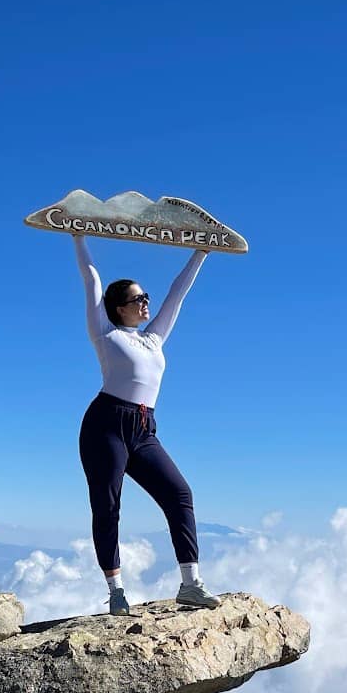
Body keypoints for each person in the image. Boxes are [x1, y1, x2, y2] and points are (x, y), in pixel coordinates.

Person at [73, 233, 221, 616]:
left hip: (144, 428)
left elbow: (177, 293)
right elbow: (92, 280)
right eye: (138, 299)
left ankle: (189, 584)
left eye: (145, 298)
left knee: (179, 494)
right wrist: (78, 236)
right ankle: (116, 591)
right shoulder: (105, 335)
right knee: (107, 506)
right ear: (119, 308)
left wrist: (201, 253)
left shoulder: (154, 340)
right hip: (105, 424)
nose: (146, 303)